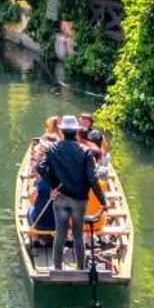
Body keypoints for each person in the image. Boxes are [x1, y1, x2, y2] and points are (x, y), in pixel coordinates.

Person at [37, 116, 105, 272]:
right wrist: (103, 201)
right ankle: (81, 268)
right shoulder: (85, 151)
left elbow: (40, 168)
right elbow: (92, 179)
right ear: (76, 131)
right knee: (78, 235)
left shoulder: (53, 148)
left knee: (60, 234)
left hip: (61, 198)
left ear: (62, 130)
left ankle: (57, 267)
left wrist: (53, 184)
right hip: (79, 200)